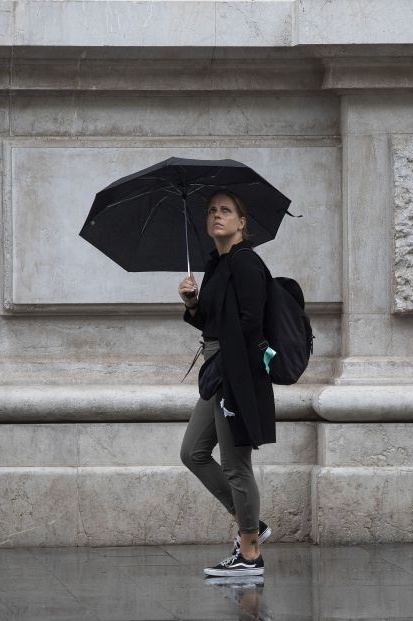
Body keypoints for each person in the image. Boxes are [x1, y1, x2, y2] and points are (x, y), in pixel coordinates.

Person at [177, 190, 276, 577]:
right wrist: (192, 305)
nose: (217, 215)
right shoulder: (216, 266)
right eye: (211, 210)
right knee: (193, 453)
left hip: (235, 372)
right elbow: (216, 323)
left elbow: (253, 323)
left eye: (226, 210)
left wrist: (231, 371)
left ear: (241, 222)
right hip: (217, 368)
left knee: (236, 465)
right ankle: (251, 521)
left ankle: (250, 553)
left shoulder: (245, 263)